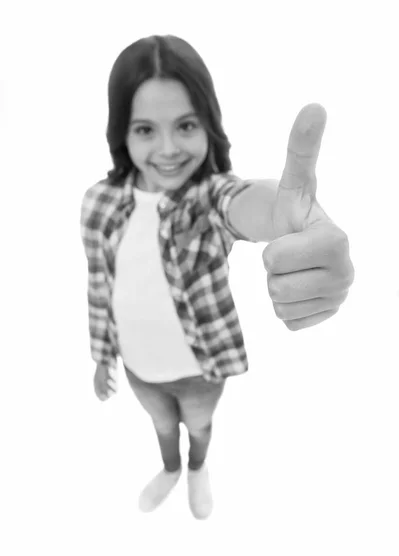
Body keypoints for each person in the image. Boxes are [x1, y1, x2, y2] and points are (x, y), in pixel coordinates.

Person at [80, 35, 354, 520]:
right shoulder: (99, 203)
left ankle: (198, 468)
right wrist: (102, 357)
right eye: (145, 129)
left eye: (185, 125)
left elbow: (241, 202)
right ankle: (170, 469)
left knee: (198, 426)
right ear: (122, 131)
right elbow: (99, 287)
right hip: (140, 370)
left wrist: (282, 212)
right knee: (163, 426)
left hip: (201, 370)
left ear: (208, 124)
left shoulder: (207, 199)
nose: (167, 149)